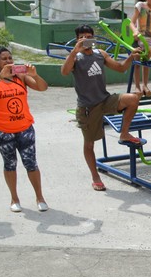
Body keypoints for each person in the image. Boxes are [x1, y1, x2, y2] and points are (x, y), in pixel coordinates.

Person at [60, 24, 144, 191]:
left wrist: (131, 57)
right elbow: (64, 71)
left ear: (94, 38)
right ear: (77, 40)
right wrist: (74, 51)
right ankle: (95, 177)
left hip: (105, 100)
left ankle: (124, 133)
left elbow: (120, 68)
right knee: (89, 144)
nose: (85, 40)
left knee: (133, 99)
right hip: (87, 107)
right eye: (82, 37)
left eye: (88, 36)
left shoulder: (100, 54)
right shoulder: (76, 58)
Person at [0, 48, 49, 213]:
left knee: (31, 163)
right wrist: (0, 77)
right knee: (10, 164)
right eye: (4, 59)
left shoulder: (20, 76)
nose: (8, 61)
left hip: (25, 128)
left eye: (10, 58)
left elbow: (42, 87)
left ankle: (40, 198)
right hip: (2, 130)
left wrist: (34, 75)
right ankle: (14, 198)